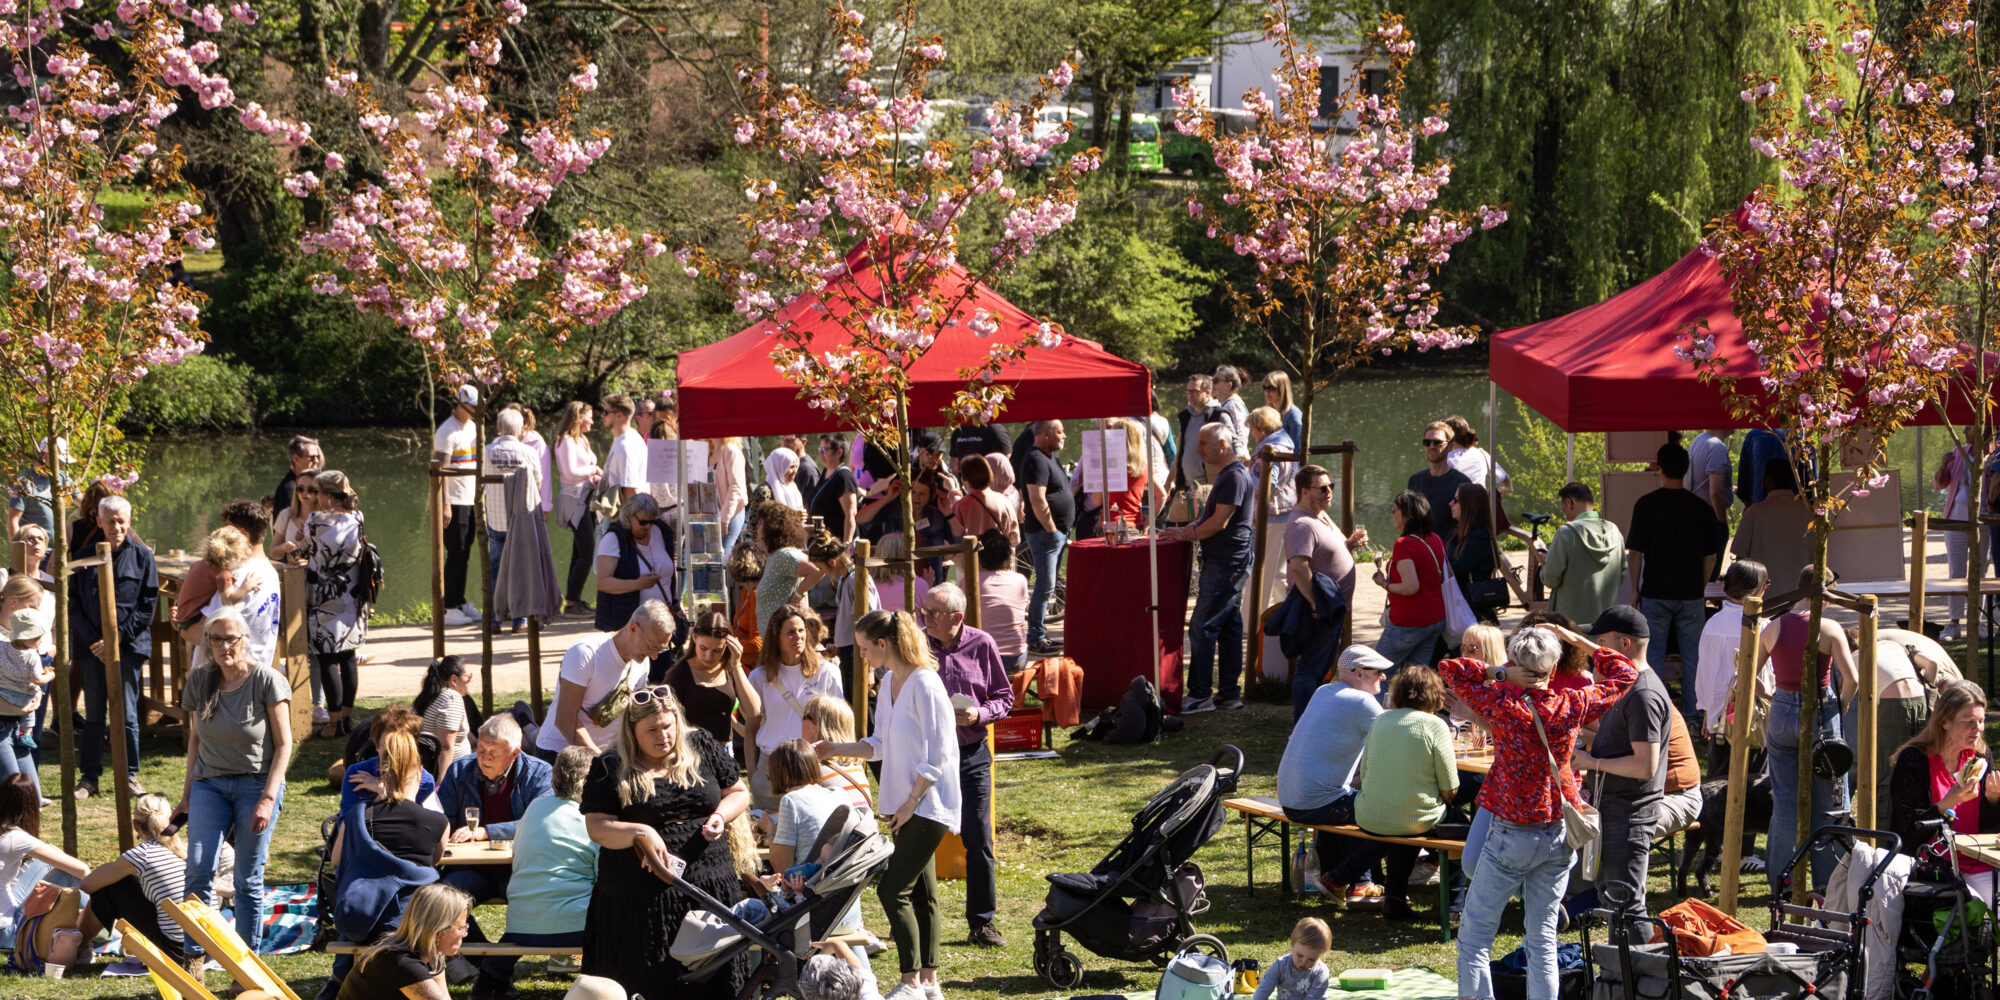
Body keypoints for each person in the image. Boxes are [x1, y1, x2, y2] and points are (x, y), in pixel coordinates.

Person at [1444, 625, 1635, 1000]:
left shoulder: (1501, 703)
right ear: (1554, 666)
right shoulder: (1572, 704)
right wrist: (1576, 639)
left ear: (1516, 663)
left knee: (1474, 938)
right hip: (1559, 832)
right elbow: (1624, 672)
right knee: (1542, 939)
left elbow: (1452, 668)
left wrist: (1500, 672)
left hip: (1511, 833)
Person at [813, 610, 960, 1000]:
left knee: (892, 890)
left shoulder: (926, 684)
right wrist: (834, 748)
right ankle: (929, 982)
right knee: (922, 894)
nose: (860, 655)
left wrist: (911, 802)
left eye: (863, 648)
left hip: (928, 803)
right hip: (904, 804)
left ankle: (911, 981)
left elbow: (938, 754)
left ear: (883, 644)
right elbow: (877, 745)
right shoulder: (889, 681)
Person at [582, 684, 751, 1000]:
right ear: (632, 732)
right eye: (652, 730)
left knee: (713, 982)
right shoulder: (610, 765)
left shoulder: (700, 745)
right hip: (639, 898)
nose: (663, 736)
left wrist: (721, 816)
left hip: (709, 885)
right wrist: (639, 832)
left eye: (668, 726)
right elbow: (596, 826)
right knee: (649, 979)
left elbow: (738, 792)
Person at [177, 607, 292, 954]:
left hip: (256, 785)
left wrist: (268, 799)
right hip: (209, 784)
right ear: (208, 643)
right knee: (198, 869)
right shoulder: (201, 678)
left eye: (231, 639)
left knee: (246, 878)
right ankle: (194, 955)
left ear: (245, 640)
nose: (224, 646)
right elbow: (196, 737)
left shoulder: (267, 680)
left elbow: (285, 744)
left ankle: (246, 965)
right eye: (216, 639)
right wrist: (187, 794)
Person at [324, 727, 452, 999]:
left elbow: (336, 859)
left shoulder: (358, 815)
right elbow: (436, 862)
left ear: (381, 773)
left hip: (363, 924)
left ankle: (337, 979)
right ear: (419, 772)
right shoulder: (439, 823)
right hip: (416, 929)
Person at [1324, 666, 1460, 922]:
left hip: (1370, 814)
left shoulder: (1381, 720)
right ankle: (1455, 905)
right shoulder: (1435, 725)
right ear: (1434, 694)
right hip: (1413, 817)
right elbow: (1450, 788)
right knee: (1458, 828)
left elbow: (1364, 774)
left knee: (1403, 823)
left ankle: (1394, 900)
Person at [920, 581, 1013, 948]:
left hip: (972, 753)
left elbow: (1005, 697)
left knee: (979, 838)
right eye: (923, 610)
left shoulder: (982, 644)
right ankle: (918, 921)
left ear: (957, 618)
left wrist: (978, 713)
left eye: (932, 613)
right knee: (920, 839)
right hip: (928, 757)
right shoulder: (918, 645)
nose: (924, 617)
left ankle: (982, 923)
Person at [1757, 567, 1859, 893]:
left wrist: (1770, 696)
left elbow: (1746, 671)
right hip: (1821, 713)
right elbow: (1852, 679)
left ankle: (1781, 883)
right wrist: (1840, 706)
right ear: (1826, 594)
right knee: (1829, 802)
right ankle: (1829, 884)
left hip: (1782, 713)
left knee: (1784, 803)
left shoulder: (1773, 626)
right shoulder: (1828, 628)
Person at [1568, 607, 1671, 926]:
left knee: (1627, 907)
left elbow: (1645, 766)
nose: (1596, 652)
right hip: (1611, 808)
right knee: (1615, 904)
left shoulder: (1643, 694)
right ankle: (1619, 975)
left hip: (1630, 814)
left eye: (1602, 642)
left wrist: (1590, 762)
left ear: (1624, 644)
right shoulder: (1624, 684)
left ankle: (1640, 974)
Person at [437, 716, 554, 989]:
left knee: (529, 905)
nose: (484, 758)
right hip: (470, 867)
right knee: (444, 898)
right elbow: (441, 816)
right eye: (480, 750)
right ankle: (489, 961)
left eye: (493, 753)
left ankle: (497, 969)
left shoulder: (539, 772)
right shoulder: (459, 771)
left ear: (515, 753)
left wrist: (488, 831)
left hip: (518, 866)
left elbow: (539, 819)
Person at [482, 745, 597, 997]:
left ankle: (491, 978)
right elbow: (604, 876)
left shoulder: (534, 808)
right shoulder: (590, 820)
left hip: (519, 925)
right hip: (577, 927)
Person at [1278, 645, 1387, 900]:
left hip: (1291, 800)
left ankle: (1351, 878)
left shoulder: (1323, 691)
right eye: (1378, 672)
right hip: (1317, 803)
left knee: (1358, 796)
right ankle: (1351, 882)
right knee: (1388, 815)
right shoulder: (1362, 701)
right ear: (1359, 673)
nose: (1383, 677)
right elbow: (1397, 736)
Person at [1626, 441, 1722, 719]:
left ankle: (1653, 712)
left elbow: (1635, 554)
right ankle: (1693, 714)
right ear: (1686, 468)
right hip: (1691, 593)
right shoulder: (1701, 508)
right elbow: (1711, 556)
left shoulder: (1645, 505)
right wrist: (1700, 585)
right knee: (1694, 656)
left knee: (1652, 655)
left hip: (1655, 591)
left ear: (1660, 468)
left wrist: (1634, 589)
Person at [70, 494, 155, 799]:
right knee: (94, 714)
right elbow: (73, 605)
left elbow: (148, 605)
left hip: (129, 647)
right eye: (111, 521)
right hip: (91, 649)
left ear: (128, 521)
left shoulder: (143, 557)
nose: (116, 527)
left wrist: (116, 638)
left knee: (128, 714)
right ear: (99, 522)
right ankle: (89, 778)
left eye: (121, 521)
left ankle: (130, 776)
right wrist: (96, 641)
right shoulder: (82, 557)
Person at [1889, 682, 2000, 906]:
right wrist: (1948, 802)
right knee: (1977, 913)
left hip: (1979, 861)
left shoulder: (1979, 757)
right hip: (1934, 866)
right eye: (1969, 722)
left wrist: (1993, 798)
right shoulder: (1915, 760)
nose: (1978, 728)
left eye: (1981, 721)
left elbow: (1989, 827)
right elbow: (1908, 829)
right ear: (1945, 722)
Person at [1169, 423, 1255, 712]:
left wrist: (1189, 534)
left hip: (1226, 562)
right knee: (1229, 627)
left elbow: (1219, 522)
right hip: (1228, 560)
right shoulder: (1229, 475)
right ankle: (1229, 694)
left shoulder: (1234, 476)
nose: (1198, 448)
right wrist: (1186, 528)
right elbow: (1210, 518)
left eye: (1203, 443)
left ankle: (1201, 694)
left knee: (1202, 626)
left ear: (1221, 443)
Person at [534, 601, 677, 761]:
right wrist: (600, 760)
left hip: (605, 756)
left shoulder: (642, 661)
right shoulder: (585, 653)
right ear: (633, 629)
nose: (655, 655)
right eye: (652, 647)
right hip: (559, 755)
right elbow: (565, 720)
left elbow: (632, 717)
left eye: (660, 650)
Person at [747, 607, 846, 811]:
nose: (798, 637)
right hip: (771, 769)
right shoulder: (759, 677)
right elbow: (751, 728)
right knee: (770, 837)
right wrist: (752, 774)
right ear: (776, 636)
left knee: (814, 836)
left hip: (814, 766)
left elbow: (840, 727)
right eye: (790, 632)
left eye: (801, 631)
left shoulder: (827, 672)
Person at [82, 793, 191, 968]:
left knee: (112, 886)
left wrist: (116, 868)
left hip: (175, 953)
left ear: (135, 825)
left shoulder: (143, 854)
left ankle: (78, 946)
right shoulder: (183, 850)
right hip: (204, 948)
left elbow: (87, 885)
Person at [1284, 465, 1358, 717]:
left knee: (1322, 666)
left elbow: (1327, 552)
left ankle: (1316, 718)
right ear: (1305, 492)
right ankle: (1304, 724)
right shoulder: (1301, 524)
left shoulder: (1320, 516)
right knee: (1310, 669)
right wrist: (1315, 603)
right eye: (1322, 488)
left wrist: (1349, 544)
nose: (1329, 492)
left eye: (1331, 486)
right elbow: (1298, 567)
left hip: (1331, 607)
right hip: (1317, 610)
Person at [300, 470, 367, 738]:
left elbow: (304, 549)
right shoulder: (358, 518)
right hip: (351, 594)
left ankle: (333, 722)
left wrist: (291, 548)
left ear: (328, 495)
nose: (314, 497)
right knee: (348, 656)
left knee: (327, 657)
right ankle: (347, 719)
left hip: (324, 596)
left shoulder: (316, 521)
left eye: (317, 492)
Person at [0, 775, 92, 963]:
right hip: (9, 932)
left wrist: (54, 851)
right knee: (68, 872)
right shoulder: (16, 837)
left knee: (46, 861)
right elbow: (83, 871)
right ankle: (89, 931)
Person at [1847, 624, 1930, 827]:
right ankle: (1915, 822)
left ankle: (1882, 836)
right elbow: (1932, 664)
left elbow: (1848, 687)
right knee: (1916, 763)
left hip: (1893, 706)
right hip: (1920, 698)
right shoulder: (1893, 646)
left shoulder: (1856, 657)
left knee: (1884, 770)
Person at [1693, 560, 1769, 777]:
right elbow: (1769, 674)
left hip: (1719, 719)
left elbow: (1705, 673)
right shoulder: (1762, 626)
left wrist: (1708, 709)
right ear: (1758, 588)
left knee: (1720, 782)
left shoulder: (1713, 623)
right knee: (1755, 784)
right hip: (1753, 718)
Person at [338, 883, 473, 1000]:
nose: (465, 934)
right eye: (461, 928)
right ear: (439, 931)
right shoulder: (403, 963)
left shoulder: (432, 953)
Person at [1374, 490, 1447, 671]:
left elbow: (1411, 586)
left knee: (1377, 672)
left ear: (1408, 515)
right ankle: (1414, 700)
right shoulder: (1436, 538)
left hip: (1409, 621)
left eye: (1395, 510)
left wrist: (1385, 584)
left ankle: (1376, 700)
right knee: (1415, 677)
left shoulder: (1404, 544)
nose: (1392, 514)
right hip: (1435, 618)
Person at [594, 493, 676, 652]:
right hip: (628, 627)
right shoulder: (613, 539)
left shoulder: (661, 531)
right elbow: (602, 582)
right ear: (629, 516)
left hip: (660, 626)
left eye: (652, 521)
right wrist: (638, 584)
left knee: (662, 673)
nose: (648, 527)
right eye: (643, 522)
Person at [1017, 420, 1072, 656]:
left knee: (1047, 586)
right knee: (1044, 586)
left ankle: (1040, 635)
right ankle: (1036, 639)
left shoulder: (1049, 456)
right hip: (1044, 534)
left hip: (1055, 533)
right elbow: (1037, 499)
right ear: (1046, 433)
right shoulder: (1036, 458)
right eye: (1060, 431)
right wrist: (1051, 530)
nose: (1064, 435)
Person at [483, 408, 541, 630]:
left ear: (499, 428)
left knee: (496, 572)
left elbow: (481, 486)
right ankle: (520, 619)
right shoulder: (529, 453)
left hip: (496, 522)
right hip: (521, 522)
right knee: (520, 570)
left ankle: (496, 619)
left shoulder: (486, 452)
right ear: (520, 429)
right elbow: (537, 485)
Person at [661, 613, 757, 747]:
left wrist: (737, 665)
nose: (708, 656)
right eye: (703, 648)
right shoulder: (679, 674)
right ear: (694, 638)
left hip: (724, 749)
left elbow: (754, 711)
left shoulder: (730, 668)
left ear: (727, 645)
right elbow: (664, 717)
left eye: (717, 650)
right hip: (691, 751)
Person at [1540, 482, 1624, 627]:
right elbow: (1621, 575)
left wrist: (1545, 565)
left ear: (1569, 502)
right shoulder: (1614, 531)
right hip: (1606, 624)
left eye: (1563, 507)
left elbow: (1550, 579)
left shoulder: (1566, 533)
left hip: (1571, 627)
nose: (1564, 513)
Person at [433, 386, 483, 626]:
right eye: (471, 407)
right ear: (460, 405)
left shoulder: (473, 427)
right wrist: (445, 504)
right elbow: (440, 472)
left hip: (471, 498)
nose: (474, 412)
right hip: (454, 499)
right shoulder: (446, 432)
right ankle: (448, 606)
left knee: (466, 550)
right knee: (456, 551)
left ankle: (460, 601)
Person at [552, 401, 604, 617]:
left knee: (578, 551)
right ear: (579, 417)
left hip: (587, 498)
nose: (593, 421)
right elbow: (571, 472)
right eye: (589, 416)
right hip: (574, 501)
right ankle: (572, 602)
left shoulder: (581, 439)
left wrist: (595, 477)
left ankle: (574, 600)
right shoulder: (564, 441)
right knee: (587, 551)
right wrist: (594, 470)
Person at [1730, 460, 1812, 591]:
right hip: (1801, 597)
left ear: (1768, 480)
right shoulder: (1809, 513)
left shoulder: (1754, 513)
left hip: (1763, 598)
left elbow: (1740, 558)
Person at [1935, 440, 1986, 640]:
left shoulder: (1993, 453)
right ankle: (1954, 623)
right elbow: (1940, 483)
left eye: (1968, 427)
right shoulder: (1959, 451)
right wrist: (1942, 465)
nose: (1964, 432)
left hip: (1982, 522)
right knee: (1956, 571)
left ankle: (1978, 621)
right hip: (1955, 521)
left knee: (1979, 571)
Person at [800, 694, 874, 815]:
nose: (801, 720)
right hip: (864, 830)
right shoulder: (855, 765)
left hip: (835, 832)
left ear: (817, 727)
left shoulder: (812, 769)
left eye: (805, 716)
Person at [755, 502, 821, 635]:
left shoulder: (784, 554)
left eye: (761, 523)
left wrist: (797, 595)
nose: (757, 527)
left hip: (787, 642)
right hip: (776, 644)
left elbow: (817, 570)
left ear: (772, 527)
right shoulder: (775, 556)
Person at [975, 530, 1029, 671]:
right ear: (1008, 555)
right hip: (1017, 660)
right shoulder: (1020, 580)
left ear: (979, 556)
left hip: (984, 661)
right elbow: (1025, 609)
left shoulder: (971, 582)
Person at [1411, 421, 1472, 544]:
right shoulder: (1415, 481)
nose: (1431, 446)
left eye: (1437, 442)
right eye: (1427, 442)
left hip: (1449, 552)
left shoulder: (1463, 483)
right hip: (1420, 549)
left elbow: (1468, 525)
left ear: (1451, 446)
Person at [1449, 483, 1500, 624]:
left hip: (1475, 613)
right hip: (1463, 608)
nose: (1450, 503)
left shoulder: (1480, 537)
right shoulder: (1458, 533)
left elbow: (1457, 568)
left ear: (1469, 504)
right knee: (1456, 646)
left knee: (1472, 647)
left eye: (1456, 500)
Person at [1250, 917, 1331, 1000]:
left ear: (1321, 955)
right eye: (1299, 955)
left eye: (1311, 959)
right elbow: (1264, 989)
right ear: (1292, 944)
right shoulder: (1280, 965)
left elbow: (1313, 998)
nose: (1303, 962)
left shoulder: (1320, 972)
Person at [1687, 429, 1734, 571]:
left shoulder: (1699, 440)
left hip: (1696, 513)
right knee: (1710, 573)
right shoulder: (1717, 447)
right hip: (1711, 516)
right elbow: (1716, 492)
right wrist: (1721, 521)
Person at [416, 655, 473, 772]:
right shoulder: (452, 699)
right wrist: (441, 783)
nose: (471, 680)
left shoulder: (431, 694)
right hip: (454, 773)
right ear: (454, 680)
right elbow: (445, 747)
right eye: (468, 676)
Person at [953, 454, 1020, 550]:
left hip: (973, 563)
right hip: (1003, 561)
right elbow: (1015, 539)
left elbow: (955, 537)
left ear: (965, 477)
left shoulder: (960, 506)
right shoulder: (1004, 501)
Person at [5, 437, 64, 543]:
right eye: (59, 462)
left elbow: (84, 502)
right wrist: (19, 554)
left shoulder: (62, 477)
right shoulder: (23, 483)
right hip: (35, 551)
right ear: (46, 457)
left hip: (60, 551)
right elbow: (12, 521)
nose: (62, 465)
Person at [1175, 375, 1224, 495]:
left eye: (1195, 391)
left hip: (1209, 488)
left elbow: (1231, 452)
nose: (1190, 395)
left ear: (1207, 393)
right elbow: (1180, 453)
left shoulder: (1218, 415)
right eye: (1188, 391)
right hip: (1186, 488)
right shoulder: (1185, 416)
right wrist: (1168, 482)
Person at [812, 433, 862, 547]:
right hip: (825, 542)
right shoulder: (826, 472)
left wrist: (846, 546)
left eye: (825, 449)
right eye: (820, 448)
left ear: (839, 452)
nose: (821, 452)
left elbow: (850, 514)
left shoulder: (844, 477)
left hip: (837, 544)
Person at [598, 394, 648, 505]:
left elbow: (631, 491)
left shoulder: (625, 446)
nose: (603, 415)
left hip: (623, 518)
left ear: (619, 415)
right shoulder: (629, 437)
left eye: (606, 412)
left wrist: (631, 520)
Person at [1247, 407, 1296, 518]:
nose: (1251, 433)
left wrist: (1246, 477)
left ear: (1262, 429)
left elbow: (1270, 485)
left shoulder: (1271, 450)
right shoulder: (1285, 445)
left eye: (1252, 429)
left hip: (1273, 512)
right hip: (1285, 506)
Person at [272, 435, 324, 540]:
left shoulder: (306, 483)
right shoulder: (289, 489)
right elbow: (286, 531)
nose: (317, 461)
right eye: (312, 457)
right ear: (296, 458)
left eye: (318, 457)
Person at [1443, 416, 1512, 495]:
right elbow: (1508, 484)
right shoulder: (1481, 453)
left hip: (1455, 504)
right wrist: (1488, 493)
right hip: (1480, 502)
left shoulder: (1445, 457)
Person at [869, 533, 930, 614]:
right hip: (911, 626)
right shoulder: (918, 585)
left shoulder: (869, 587)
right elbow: (930, 617)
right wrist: (928, 586)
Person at [713, 437, 750, 555]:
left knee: (724, 555)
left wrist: (725, 518)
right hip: (712, 513)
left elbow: (736, 487)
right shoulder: (709, 449)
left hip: (731, 513)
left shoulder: (731, 450)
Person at [1737, 428, 1788, 507]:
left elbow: (1743, 486)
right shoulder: (1802, 436)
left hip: (1759, 504)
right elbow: (1811, 483)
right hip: (1798, 509)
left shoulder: (1753, 436)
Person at [1212, 365, 1250, 458]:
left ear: (1229, 385)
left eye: (1216, 381)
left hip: (1236, 460)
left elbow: (1240, 434)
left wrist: (1238, 459)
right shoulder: (1227, 403)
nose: (1212, 385)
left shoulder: (1233, 405)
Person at [1263, 371, 1304, 447]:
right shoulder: (1270, 413)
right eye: (1264, 388)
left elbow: (1297, 450)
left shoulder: (1293, 415)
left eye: (1271, 388)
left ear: (1282, 390)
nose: (1266, 392)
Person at [782, 433, 824, 500]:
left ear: (804, 442)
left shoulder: (807, 470)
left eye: (789, 440)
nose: (784, 444)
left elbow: (810, 506)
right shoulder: (785, 465)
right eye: (783, 439)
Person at [766, 447, 807, 512]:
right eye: (791, 467)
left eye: (796, 467)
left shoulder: (793, 487)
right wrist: (795, 516)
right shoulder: (765, 491)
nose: (795, 471)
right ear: (779, 467)